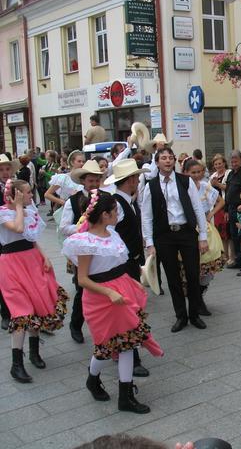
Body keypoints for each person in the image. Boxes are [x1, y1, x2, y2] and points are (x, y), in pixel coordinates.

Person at [62, 191, 163, 413]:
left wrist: (132, 281)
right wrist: (108, 293)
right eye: (115, 210)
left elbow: (118, 265)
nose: (119, 213)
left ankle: (125, 396)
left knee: (128, 343)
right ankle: (92, 378)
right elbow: (83, 279)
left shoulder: (112, 234)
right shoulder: (86, 242)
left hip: (122, 292)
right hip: (101, 299)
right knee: (105, 348)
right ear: (105, 214)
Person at [0, 180, 68, 383]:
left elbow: (30, 237)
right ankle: (16, 364)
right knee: (21, 312)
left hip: (31, 259)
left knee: (36, 305)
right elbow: (19, 229)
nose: (32, 195)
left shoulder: (28, 210)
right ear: (16, 195)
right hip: (11, 264)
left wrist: (44, 255)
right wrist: (19, 206)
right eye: (28, 193)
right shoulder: (3, 212)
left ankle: (34, 351)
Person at [141, 147, 208, 333]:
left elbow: (198, 209)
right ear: (157, 162)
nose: (168, 161)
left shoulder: (185, 181)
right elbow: (146, 217)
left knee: (193, 275)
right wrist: (149, 243)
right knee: (173, 278)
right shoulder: (150, 186)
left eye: (170, 157)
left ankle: (194, 314)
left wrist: (203, 236)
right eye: (163, 158)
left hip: (186, 232)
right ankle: (181, 316)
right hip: (164, 235)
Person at [103, 158, 152, 378]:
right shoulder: (117, 205)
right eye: (136, 177)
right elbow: (109, 234)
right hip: (122, 266)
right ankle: (131, 358)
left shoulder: (126, 201)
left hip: (129, 263)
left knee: (129, 310)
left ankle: (122, 351)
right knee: (130, 311)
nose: (137, 181)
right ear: (131, 180)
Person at [59, 159, 105, 343]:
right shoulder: (73, 201)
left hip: (101, 250)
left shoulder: (105, 197)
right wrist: (82, 228)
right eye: (90, 181)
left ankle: (101, 325)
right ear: (83, 181)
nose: (94, 184)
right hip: (82, 251)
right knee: (82, 289)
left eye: (96, 180)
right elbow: (64, 227)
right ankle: (76, 324)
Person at [181, 158, 224, 314]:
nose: (197, 175)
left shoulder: (205, 186)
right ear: (185, 173)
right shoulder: (181, 187)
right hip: (188, 230)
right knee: (190, 269)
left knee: (208, 268)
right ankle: (194, 300)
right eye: (193, 172)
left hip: (206, 231)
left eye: (199, 172)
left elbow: (220, 201)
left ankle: (199, 298)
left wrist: (211, 213)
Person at [0, 154, 18, 330]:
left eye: (7, 169)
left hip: (15, 235)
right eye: (1, 169)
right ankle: (5, 313)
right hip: (2, 235)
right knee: (2, 278)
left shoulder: (16, 186)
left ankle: (17, 311)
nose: (5, 172)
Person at [45, 150, 85, 214]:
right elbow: (47, 194)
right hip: (68, 211)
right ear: (72, 162)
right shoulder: (64, 178)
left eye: (83, 161)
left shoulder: (84, 178)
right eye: (79, 161)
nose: (82, 163)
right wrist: (62, 202)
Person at [209, 154, 232, 263]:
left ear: (224, 163)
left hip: (226, 205)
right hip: (216, 206)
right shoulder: (213, 175)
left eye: (220, 163)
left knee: (228, 232)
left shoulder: (228, 173)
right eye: (216, 164)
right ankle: (225, 255)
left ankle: (231, 256)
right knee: (220, 232)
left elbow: (228, 188)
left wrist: (217, 184)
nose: (218, 166)